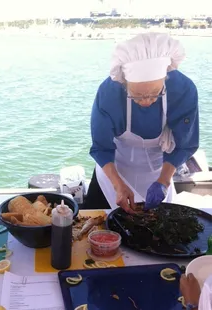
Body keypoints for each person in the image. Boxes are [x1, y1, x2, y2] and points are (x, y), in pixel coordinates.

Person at [84, 32, 199, 213]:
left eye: (155, 93)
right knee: (94, 224)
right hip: (113, 170)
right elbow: (101, 147)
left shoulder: (183, 90)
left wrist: (164, 181)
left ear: (165, 78)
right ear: (125, 83)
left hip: (159, 171)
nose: (146, 101)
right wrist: (118, 185)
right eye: (137, 95)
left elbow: (185, 144)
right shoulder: (109, 93)